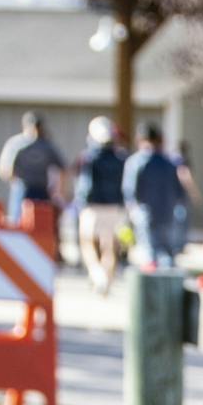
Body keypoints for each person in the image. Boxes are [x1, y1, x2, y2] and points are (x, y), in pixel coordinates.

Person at [123, 123, 190, 269]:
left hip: (145, 213)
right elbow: (180, 192)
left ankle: (153, 285)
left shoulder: (136, 162)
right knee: (167, 252)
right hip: (167, 212)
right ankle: (169, 284)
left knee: (149, 252)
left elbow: (130, 191)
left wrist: (131, 211)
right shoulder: (170, 162)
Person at [73, 117, 128, 295]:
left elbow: (83, 183)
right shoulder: (121, 158)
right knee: (110, 246)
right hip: (114, 207)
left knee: (87, 243)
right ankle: (106, 280)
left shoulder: (89, 158)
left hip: (93, 207)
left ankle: (98, 275)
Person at [0, 112, 66, 232]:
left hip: (42, 190)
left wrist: (58, 191)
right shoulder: (18, 144)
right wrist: (16, 181)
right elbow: (5, 170)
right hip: (23, 189)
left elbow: (62, 168)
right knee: (19, 223)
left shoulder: (46, 145)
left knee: (43, 226)